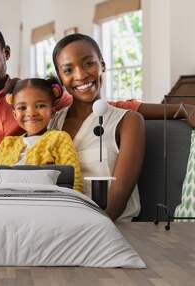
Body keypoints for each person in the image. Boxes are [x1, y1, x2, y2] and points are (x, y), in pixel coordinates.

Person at [0, 22, 194, 200]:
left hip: (3, 198)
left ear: (6, 54)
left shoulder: (31, 102)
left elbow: (97, 103)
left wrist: (179, 108)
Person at [49, 33, 146, 221]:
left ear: (102, 64)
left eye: (88, 63)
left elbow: (117, 199)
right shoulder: (52, 122)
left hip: (112, 229)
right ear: (60, 78)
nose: (81, 75)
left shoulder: (129, 122)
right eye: (68, 70)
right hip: (59, 226)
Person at [0, 78, 83, 192]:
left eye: (40, 105)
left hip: (44, 204)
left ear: (52, 111)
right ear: (15, 114)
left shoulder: (59, 138)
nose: (31, 113)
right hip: (5, 203)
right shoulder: (7, 143)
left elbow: (74, 181)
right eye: (22, 107)